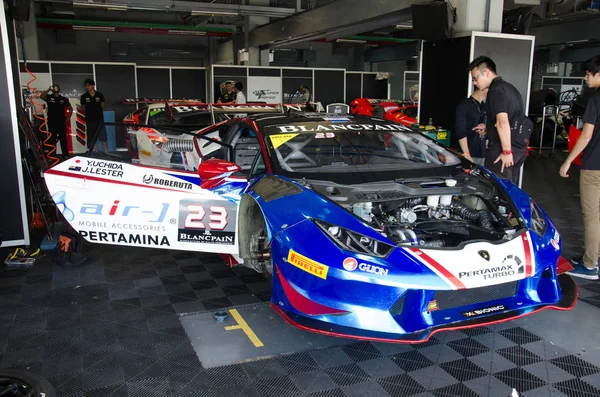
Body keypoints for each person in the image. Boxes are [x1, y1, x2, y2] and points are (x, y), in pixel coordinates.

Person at [559, 55, 600, 280]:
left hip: (594, 166)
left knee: (592, 215)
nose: (586, 77)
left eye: (588, 73)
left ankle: (590, 264)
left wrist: (567, 161)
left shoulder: (595, 100)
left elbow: (586, 136)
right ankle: (594, 255)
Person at [468, 56, 532, 184]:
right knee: (510, 190)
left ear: (486, 72)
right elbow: (513, 118)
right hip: (518, 149)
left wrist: (506, 151)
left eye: (475, 78)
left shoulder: (495, 91)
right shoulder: (510, 88)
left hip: (502, 151)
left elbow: (502, 121)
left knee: (497, 191)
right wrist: (489, 129)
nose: (474, 83)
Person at [455, 86, 488, 165]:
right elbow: (460, 131)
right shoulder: (464, 106)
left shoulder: (484, 107)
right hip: (468, 153)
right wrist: (466, 154)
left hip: (482, 154)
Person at [40, 84, 73, 160]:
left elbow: (70, 108)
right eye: (54, 87)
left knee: (63, 139)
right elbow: (42, 96)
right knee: (52, 139)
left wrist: (68, 117)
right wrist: (48, 89)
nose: (55, 88)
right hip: (52, 121)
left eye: (56, 87)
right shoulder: (49, 97)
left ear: (59, 89)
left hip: (61, 121)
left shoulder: (63, 99)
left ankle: (65, 155)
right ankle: (52, 156)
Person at [80, 79, 108, 153]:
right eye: (86, 86)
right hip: (89, 120)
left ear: (93, 86)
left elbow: (102, 106)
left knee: (103, 136)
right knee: (92, 136)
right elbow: (83, 108)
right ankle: (96, 152)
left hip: (99, 119)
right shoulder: (84, 96)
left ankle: (106, 152)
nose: (87, 87)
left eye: (88, 85)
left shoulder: (99, 95)